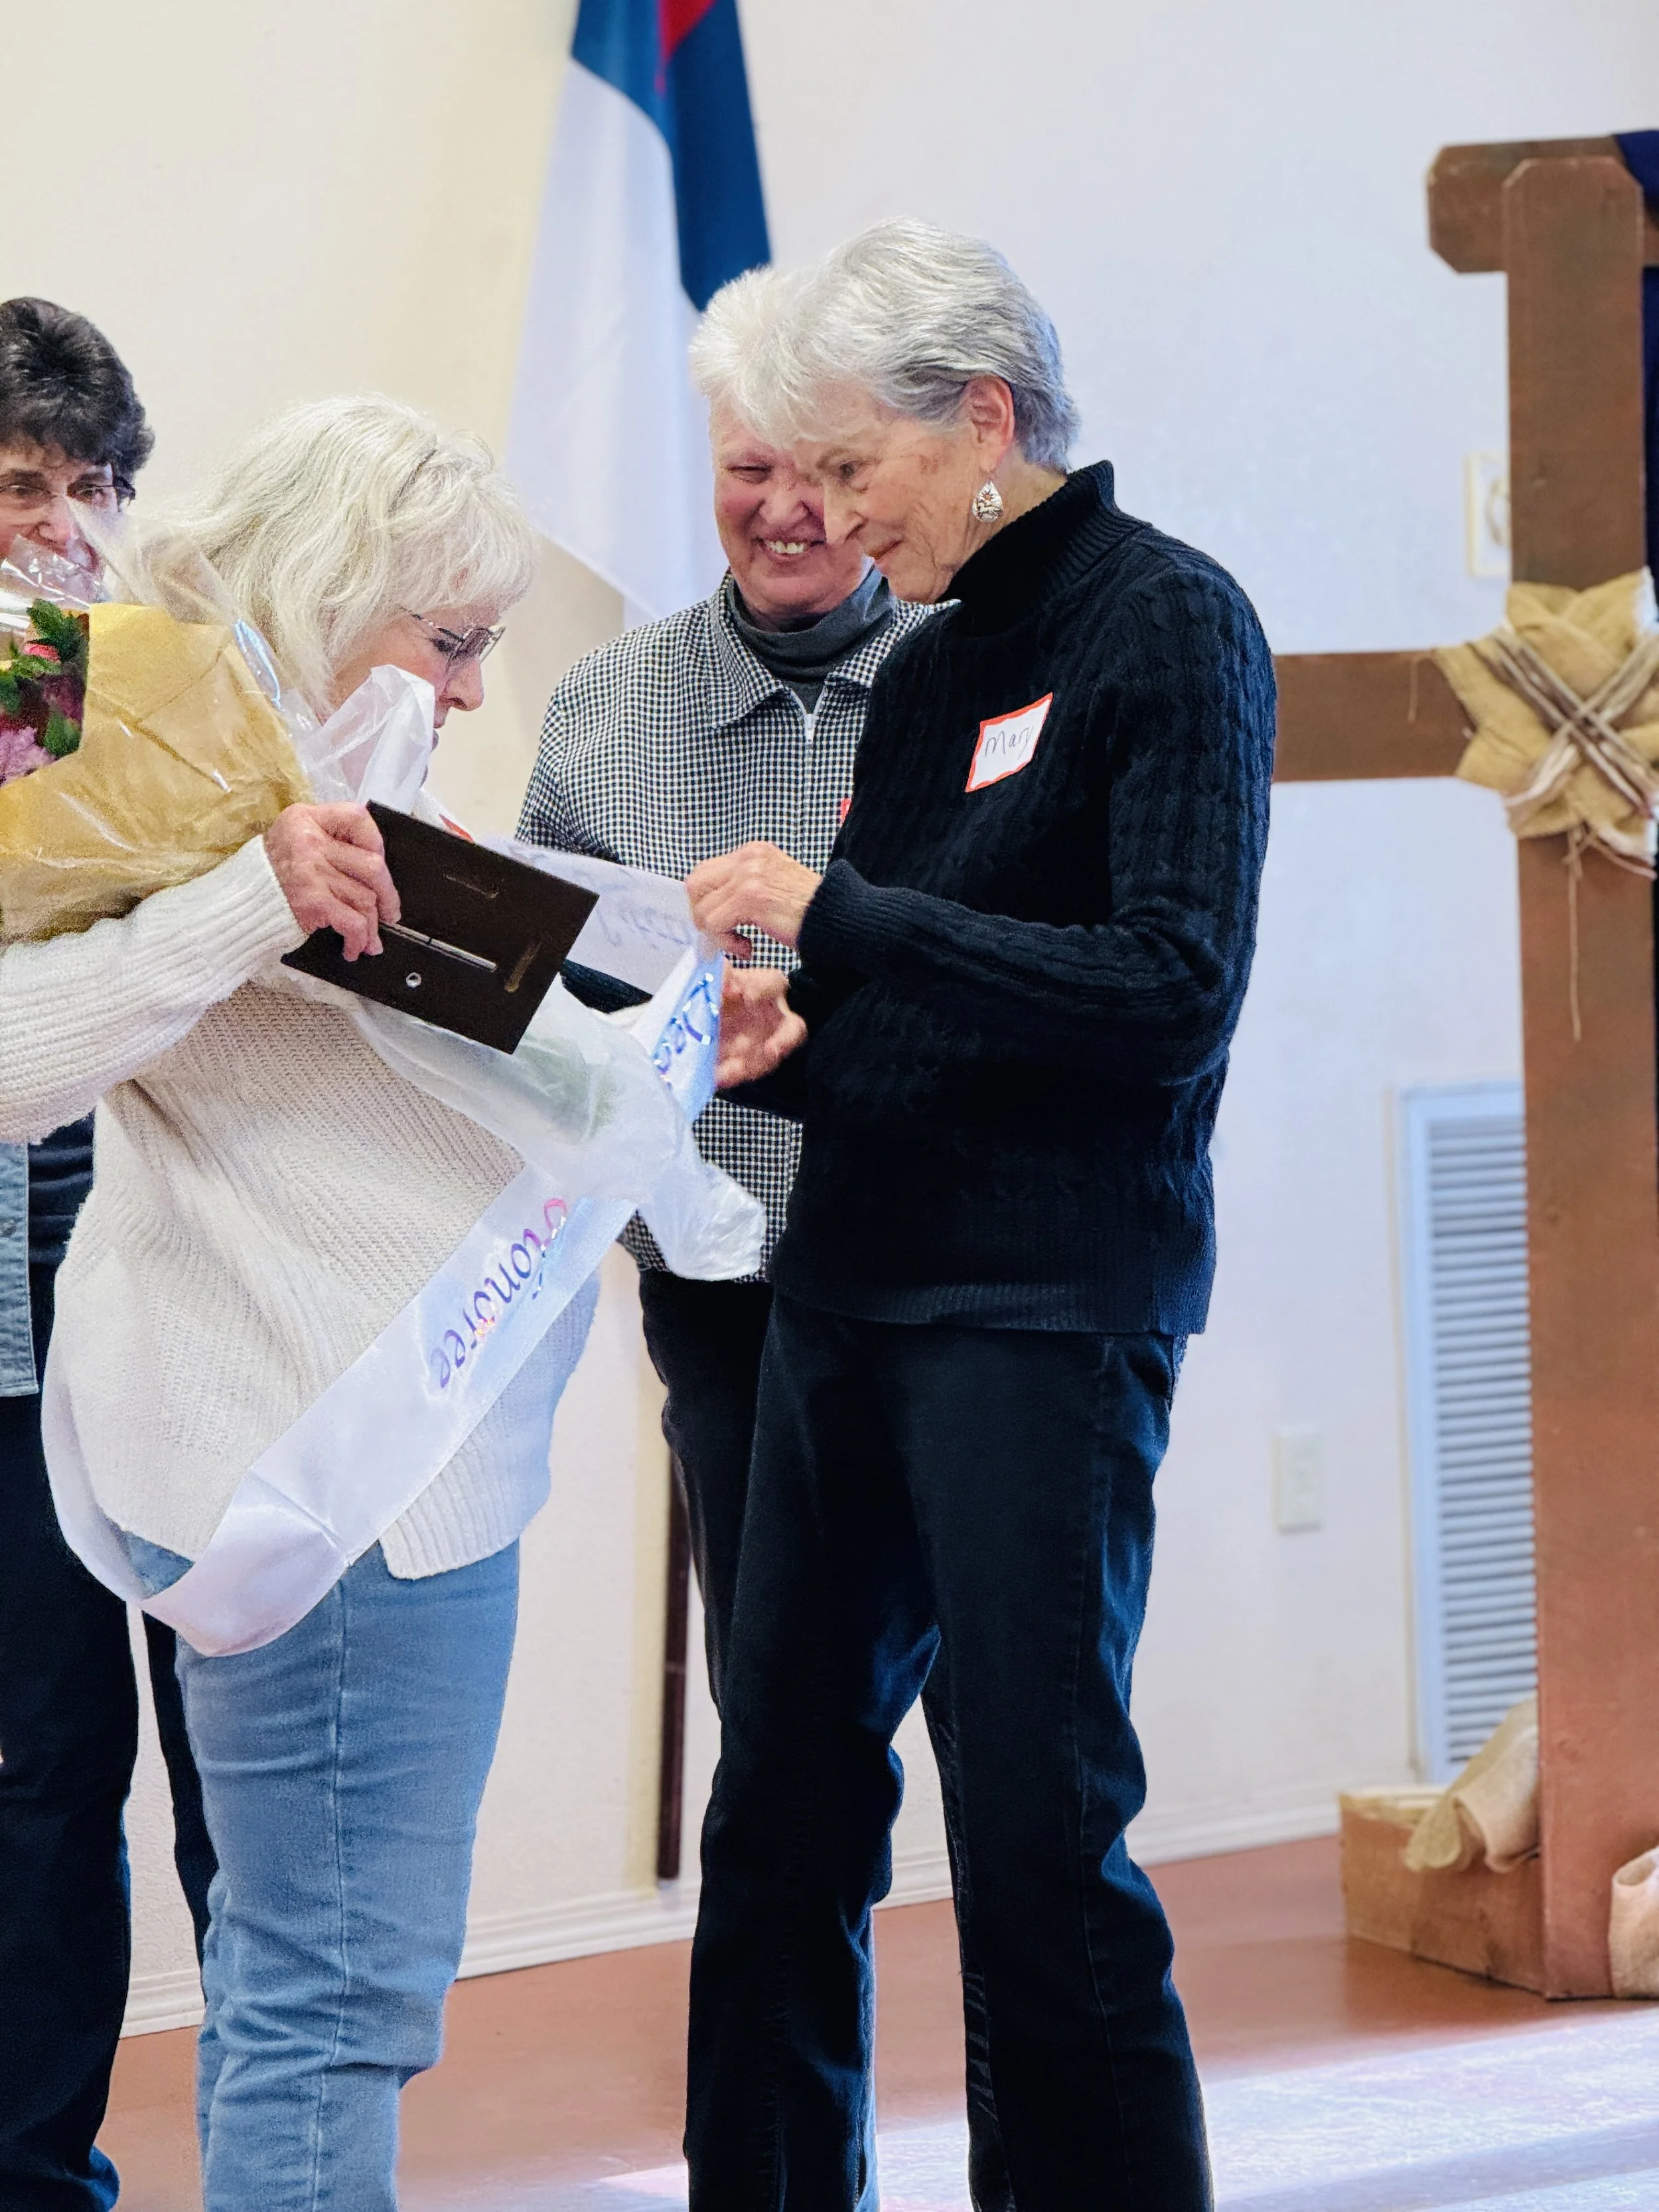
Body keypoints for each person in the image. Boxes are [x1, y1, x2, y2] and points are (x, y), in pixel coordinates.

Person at [682, 222, 1277, 2210]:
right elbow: (915, 1004)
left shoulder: (1166, 622)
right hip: (845, 1289)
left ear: (987, 421)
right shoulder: (929, 665)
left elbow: (1163, 986)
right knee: (774, 1814)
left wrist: (838, 922)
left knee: (1030, 1830)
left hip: (1040, 1306)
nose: (832, 515)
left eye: (857, 469)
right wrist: (796, 1039)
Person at [0, 395, 592, 2212]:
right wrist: (238, 906)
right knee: (322, 2001)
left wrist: (677, 1007)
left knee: (308, 1985)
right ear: (344, 594)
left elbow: (515, 1038)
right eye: (456, 640)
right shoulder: (125, 739)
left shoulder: (348, 775)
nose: (480, 689)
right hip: (328, 1473)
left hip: (370, 1472)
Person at [518, 303, 932, 1705]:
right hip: (721, 1289)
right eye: (751, 469)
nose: (791, 512)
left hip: (947, 1269)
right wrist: (653, 972)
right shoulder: (600, 705)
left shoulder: (971, 675)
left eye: (829, 469)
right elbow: (544, 1010)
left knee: (995, 1708)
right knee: (775, 1713)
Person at [0, 295, 217, 2212]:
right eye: (15, 489)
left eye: (92, 487)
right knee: (39, 1786)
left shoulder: (172, 691)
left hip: (193, 1318)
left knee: (247, 1794)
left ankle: (290, 2160)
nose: (59, 528)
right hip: (9, 1362)